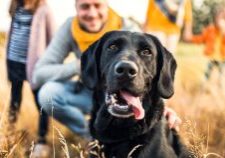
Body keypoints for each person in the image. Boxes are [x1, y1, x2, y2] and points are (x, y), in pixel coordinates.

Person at [33, 0, 181, 140]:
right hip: (88, 91)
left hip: (123, 93)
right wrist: (79, 66)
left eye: (98, 5)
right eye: (85, 6)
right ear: (76, 8)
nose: (92, 13)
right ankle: (93, 136)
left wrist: (162, 109)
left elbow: (148, 73)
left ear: (107, 6)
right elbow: (39, 74)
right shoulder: (69, 28)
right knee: (48, 93)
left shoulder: (128, 28)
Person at [6, 0, 55, 156]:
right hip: (14, 61)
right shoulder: (16, 6)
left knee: (41, 101)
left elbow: (53, 39)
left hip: (35, 65)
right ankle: (9, 132)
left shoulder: (43, 9)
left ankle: (42, 141)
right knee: (14, 100)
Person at [186, 5, 225, 88]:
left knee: (221, 76)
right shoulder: (210, 29)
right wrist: (190, 39)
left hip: (222, 58)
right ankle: (203, 86)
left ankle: (220, 88)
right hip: (212, 57)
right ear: (216, 18)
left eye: (223, 18)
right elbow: (201, 38)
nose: (221, 20)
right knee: (207, 73)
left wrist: (223, 31)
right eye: (219, 18)